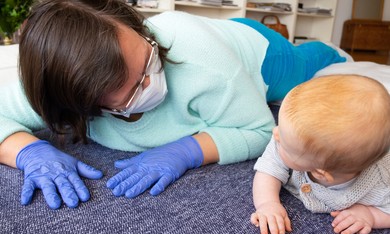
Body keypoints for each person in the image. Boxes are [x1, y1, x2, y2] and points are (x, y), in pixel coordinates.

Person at [0, 0, 346, 209]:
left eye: (149, 56)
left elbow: (259, 129)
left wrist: (187, 151)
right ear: (79, 102)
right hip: (217, 44)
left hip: (259, 51)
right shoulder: (58, 82)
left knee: (307, 65)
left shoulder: (205, 66)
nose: (151, 79)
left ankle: (331, 48)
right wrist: (29, 152)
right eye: (136, 85)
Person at [251, 74, 390, 234]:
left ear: (320, 173)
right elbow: (268, 170)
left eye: (285, 143)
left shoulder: (381, 186)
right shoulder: (287, 140)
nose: (275, 134)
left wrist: (371, 215)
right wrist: (268, 203)